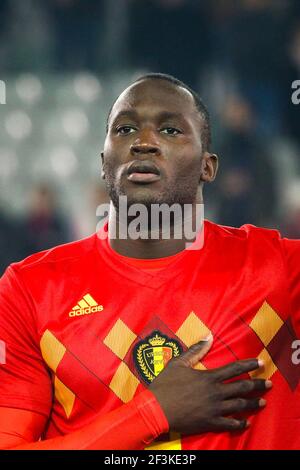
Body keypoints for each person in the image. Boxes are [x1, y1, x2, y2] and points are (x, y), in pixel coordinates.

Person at [0, 73, 299, 450]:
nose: (143, 143)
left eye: (171, 130)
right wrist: (153, 412)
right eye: (125, 129)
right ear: (103, 162)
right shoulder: (30, 290)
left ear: (208, 167)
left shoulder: (280, 270)